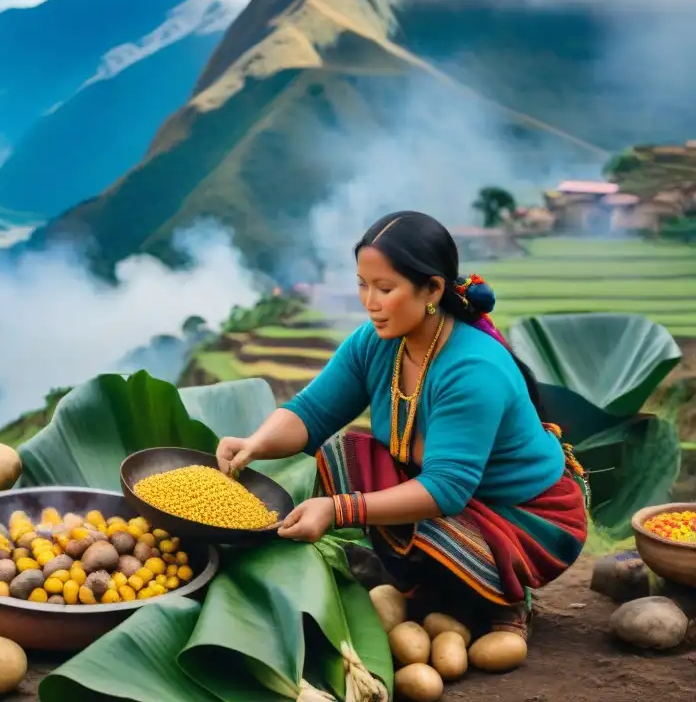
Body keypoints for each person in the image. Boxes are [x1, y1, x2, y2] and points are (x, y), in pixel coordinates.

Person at [215, 211, 590, 640]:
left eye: (385, 288)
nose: (369, 301)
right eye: (362, 284)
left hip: (524, 517)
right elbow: (312, 412)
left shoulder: (471, 370)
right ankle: (429, 592)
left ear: (432, 288)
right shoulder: (376, 342)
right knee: (345, 453)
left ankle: (500, 599)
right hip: (447, 494)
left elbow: (447, 490)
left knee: (422, 521)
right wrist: (254, 444)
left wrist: (338, 510)